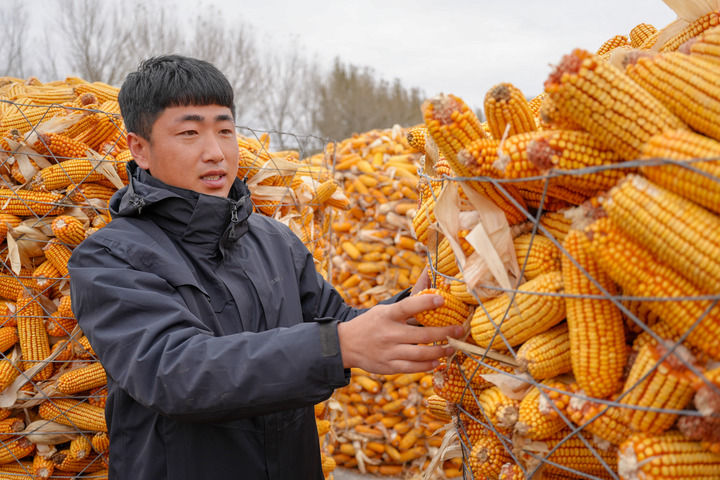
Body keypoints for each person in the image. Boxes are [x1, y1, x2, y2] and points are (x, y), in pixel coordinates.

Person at [68, 55, 464, 480]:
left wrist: (415, 309)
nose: (216, 152)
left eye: (225, 130)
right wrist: (337, 345)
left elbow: (341, 323)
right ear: (140, 149)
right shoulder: (108, 258)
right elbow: (175, 371)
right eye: (189, 133)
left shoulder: (274, 241)